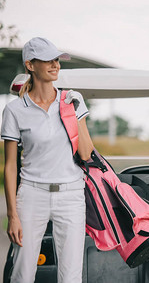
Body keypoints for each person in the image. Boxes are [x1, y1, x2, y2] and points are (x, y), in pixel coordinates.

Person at [1, 37, 94, 283]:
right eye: (48, 60)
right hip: (32, 196)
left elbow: (86, 154)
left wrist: (75, 113)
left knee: (71, 276)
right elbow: (10, 167)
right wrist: (12, 215)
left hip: (71, 195)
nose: (55, 65)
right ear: (30, 65)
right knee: (22, 274)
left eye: (56, 60)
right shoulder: (14, 111)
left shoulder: (72, 100)